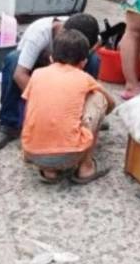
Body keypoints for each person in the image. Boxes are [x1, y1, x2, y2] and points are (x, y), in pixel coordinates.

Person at [0, 13, 102, 151]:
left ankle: (84, 118)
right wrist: (47, 104)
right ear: (62, 32)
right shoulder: (39, 34)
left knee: (93, 60)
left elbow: (97, 42)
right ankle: (8, 124)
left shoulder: (89, 33)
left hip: (67, 68)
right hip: (36, 69)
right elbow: (20, 75)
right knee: (13, 60)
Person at [21, 29, 115, 184]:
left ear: (51, 58)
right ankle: (85, 167)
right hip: (69, 155)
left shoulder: (37, 74)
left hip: (32, 152)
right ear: (84, 62)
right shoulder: (84, 77)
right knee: (98, 97)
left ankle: (49, 172)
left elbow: (29, 109)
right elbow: (110, 103)